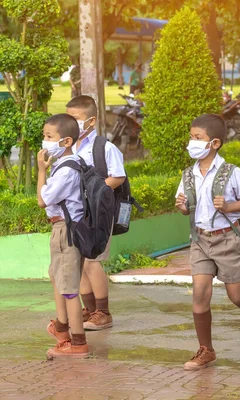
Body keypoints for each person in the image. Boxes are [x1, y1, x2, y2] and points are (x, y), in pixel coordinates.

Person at [174, 114, 240, 370]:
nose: (191, 142)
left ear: (214, 143)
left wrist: (229, 206)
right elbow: (186, 209)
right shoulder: (188, 175)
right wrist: (183, 207)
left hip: (227, 239)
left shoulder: (231, 172)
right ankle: (206, 350)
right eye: (191, 137)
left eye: (198, 138)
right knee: (199, 294)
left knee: (236, 295)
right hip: (200, 240)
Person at [66, 96, 126, 330]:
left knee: (93, 261)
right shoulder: (68, 147)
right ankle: (89, 310)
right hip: (75, 213)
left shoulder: (104, 147)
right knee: (78, 262)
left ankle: (103, 312)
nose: (70, 124)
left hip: (99, 213)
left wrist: (95, 193)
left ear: (91, 121)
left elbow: (118, 176)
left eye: (75, 119)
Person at [37, 114, 89, 359]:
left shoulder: (66, 171)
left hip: (66, 231)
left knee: (68, 288)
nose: (45, 142)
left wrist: (40, 171)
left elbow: (42, 200)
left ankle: (77, 343)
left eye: (49, 137)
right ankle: (62, 330)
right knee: (58, 278)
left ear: (66, 141)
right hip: (64, 229)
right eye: (44, 136)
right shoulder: (69, 164)